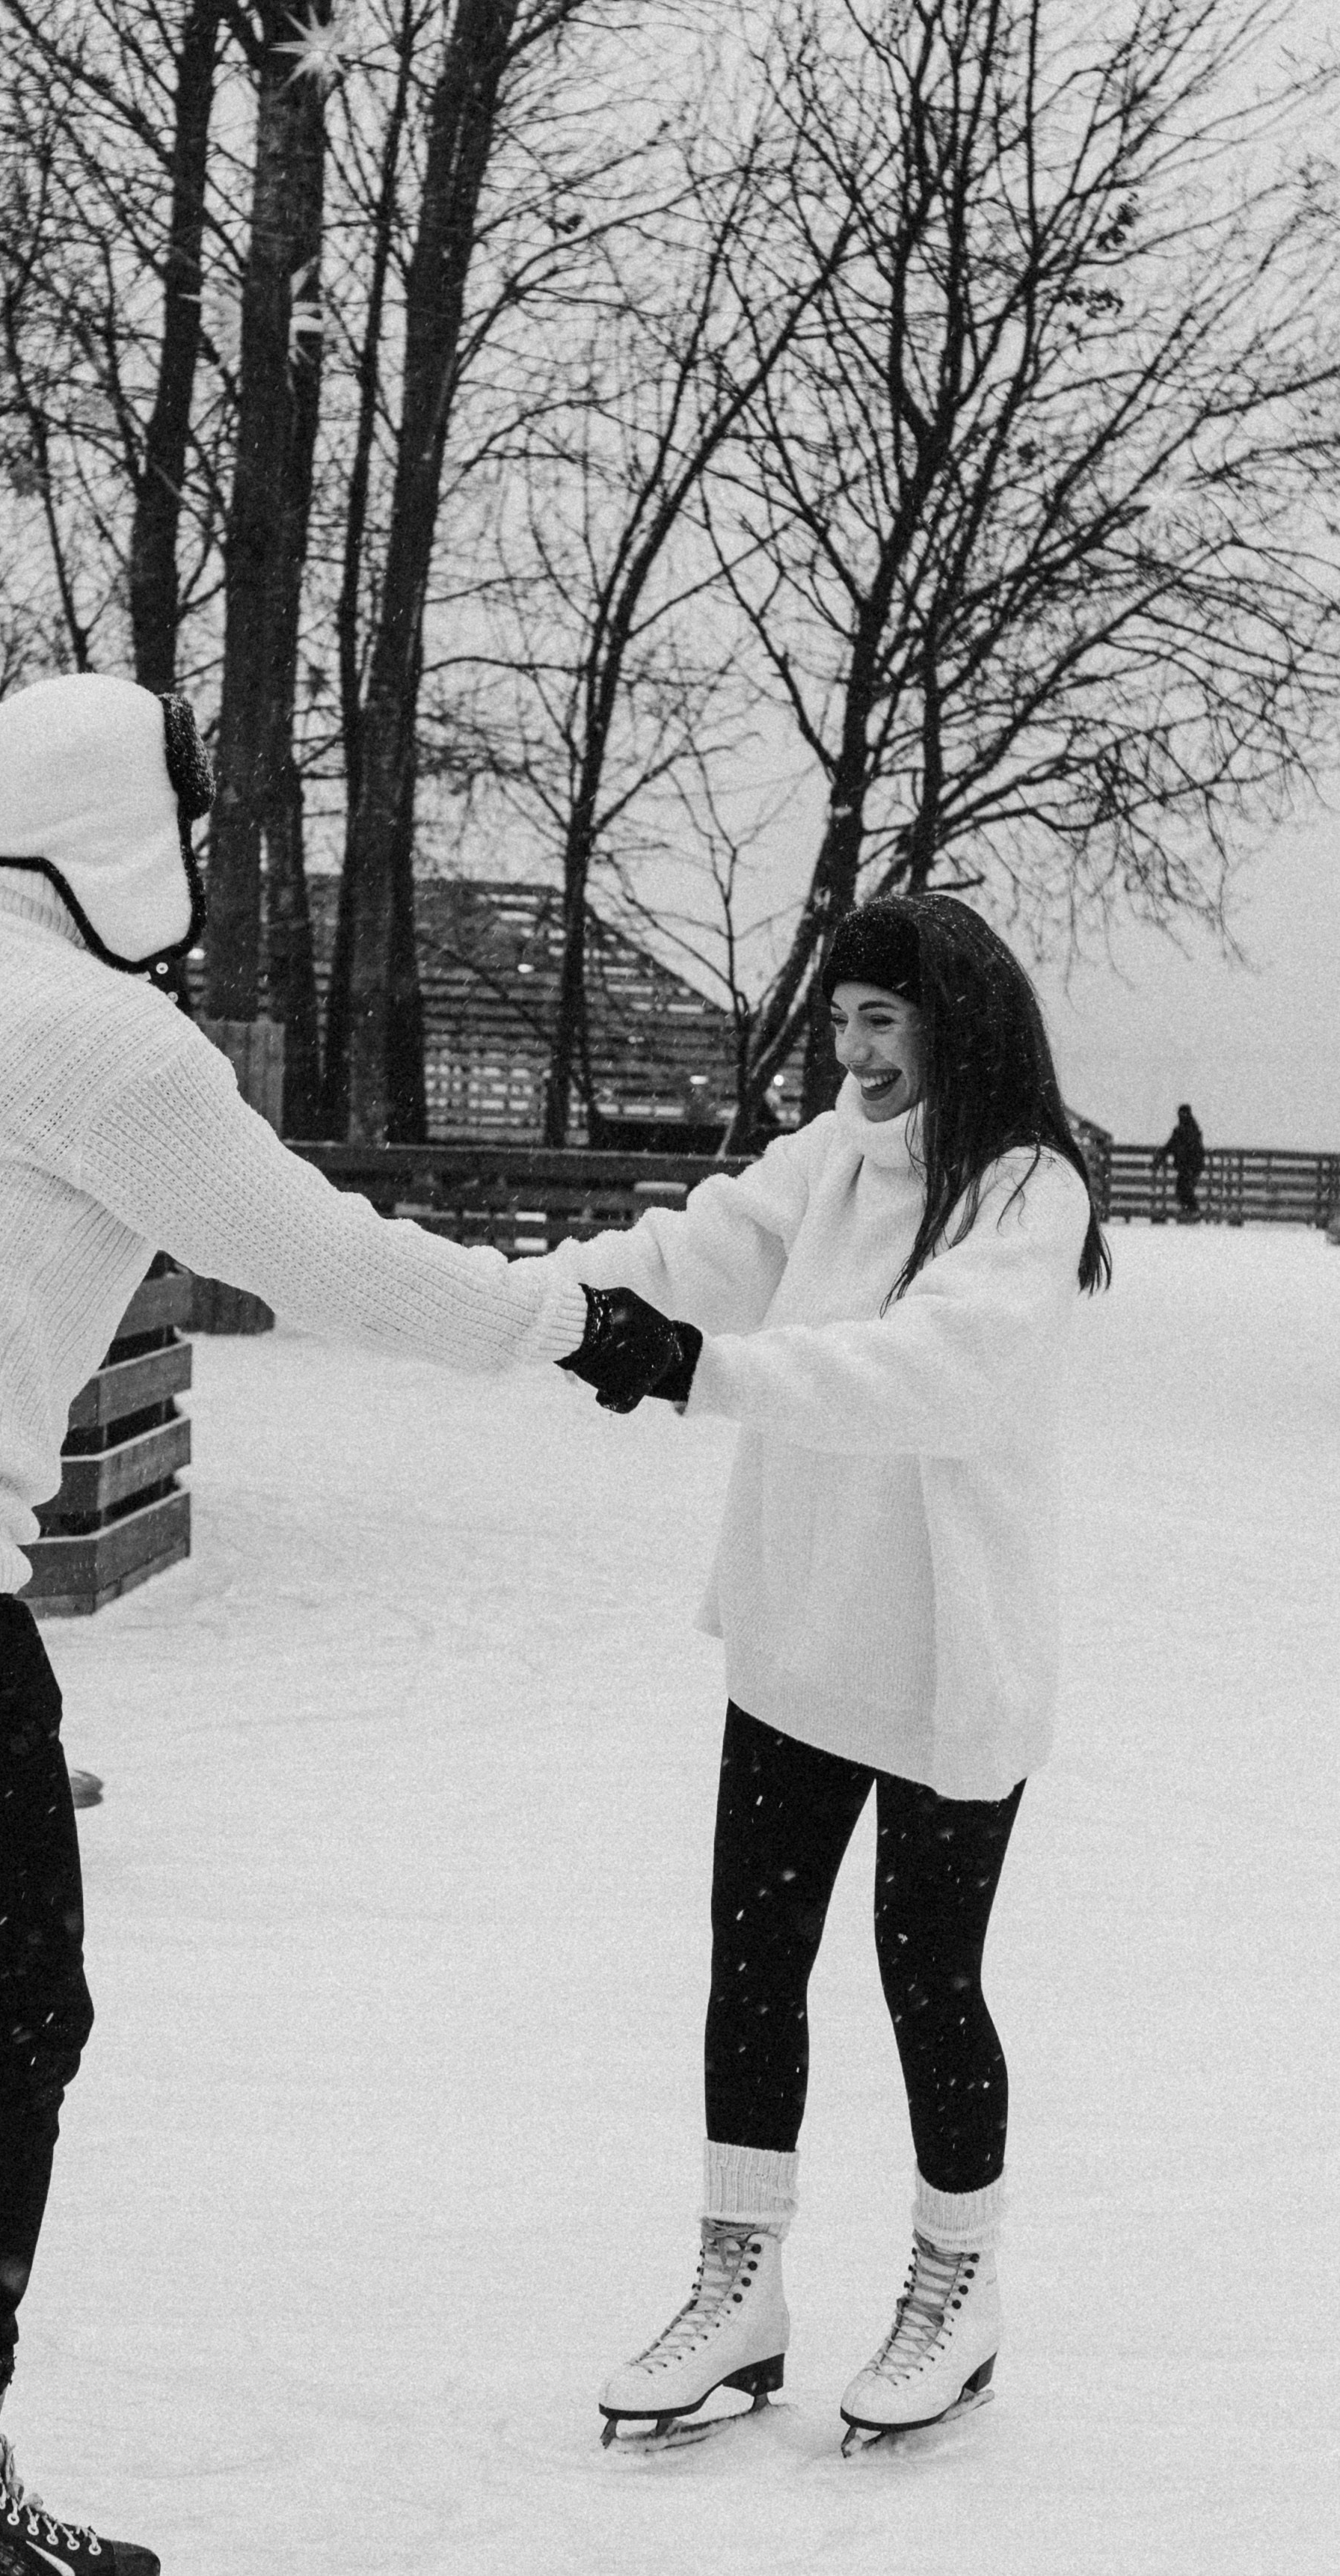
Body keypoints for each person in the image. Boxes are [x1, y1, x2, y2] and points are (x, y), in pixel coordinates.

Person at [0, 674, 666, 2575]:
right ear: (125, 836)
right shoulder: (109, 1048)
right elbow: (324, 1260)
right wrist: (577, 1321)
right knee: (16, 2005)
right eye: (183, 815)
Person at [546, 893, 1110, 2457]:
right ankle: (740, 2287)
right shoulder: (823, 1163)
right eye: (840, 1021)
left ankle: (955, 2283)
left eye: (884, 1020)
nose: (855, 1053)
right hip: (801, 1637)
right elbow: (677, 1249)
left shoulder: (1021, 1189)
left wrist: (697, 1368)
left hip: (943, 1658)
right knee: (751, 1962)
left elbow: (932, 1367)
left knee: (927, 1977)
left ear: (956, 1022)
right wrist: (540, 1303)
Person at [1158, 1102, 1205, 1221]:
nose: (1182, 1115)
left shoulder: (1191, 1130)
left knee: (1185, 1189)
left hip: (1190, 1166)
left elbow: (1196, 1150)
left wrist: (1193, 1165)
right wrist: (1160, 1157)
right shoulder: (1181, 1130)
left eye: (1184, 1113)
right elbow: (1170, 1146)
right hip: (1185, 1166)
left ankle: (1192, 1211)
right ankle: (1189, 1211)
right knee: (1182, 1190)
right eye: (1181, 1113)